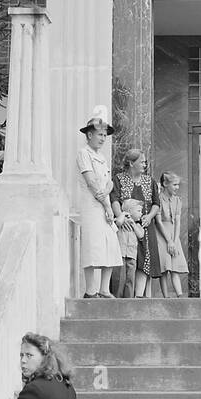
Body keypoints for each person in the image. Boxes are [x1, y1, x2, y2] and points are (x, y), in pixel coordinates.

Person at [76, 117, 123, 298]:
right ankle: (90, 290)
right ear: (90, 134)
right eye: (100, 134)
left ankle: (104, 288)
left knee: (110, 245)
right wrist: (106, 204)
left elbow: (109, 182)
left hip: (104, 206)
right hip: (91, 206)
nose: (103, 138)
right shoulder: (84, 153)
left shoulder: (102, 157)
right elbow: (91, 182)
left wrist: (106, 195)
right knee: (92, 247)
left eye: (105, 135)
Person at [110, 148, 162, 298]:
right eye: (142, 162)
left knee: (145, 258)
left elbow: (156, 203)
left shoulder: (149, 181)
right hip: (125, 227)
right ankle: (122, 295)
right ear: (131, 163)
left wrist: (150, 216)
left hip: (145, 226)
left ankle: (138, 295)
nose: (145, 164)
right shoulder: (119, 179)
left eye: (145, 162)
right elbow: (114, 199)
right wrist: (121, 216)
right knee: (126, 260)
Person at [154, 171, 189, 298]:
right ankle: (166, 297)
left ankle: (180, 296)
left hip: (174, 235)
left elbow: (178, 222)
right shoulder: (157, 199)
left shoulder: (177, 200)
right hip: (162, 235)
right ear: (165, 184)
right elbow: (158, 221)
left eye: (178, 185)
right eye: (174, 185)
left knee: (175, 267)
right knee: (164, 266)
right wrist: (169, 241)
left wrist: (174, 240)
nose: (177, 188)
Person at [116, 196, 145, 298]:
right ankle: (118, 299)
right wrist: (123, 214)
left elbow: (141, 235)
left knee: (130, 279)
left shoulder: (137, 225)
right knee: (120, 278)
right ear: (130, 211)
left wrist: (133, 224)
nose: (141, 213)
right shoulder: (122, 220)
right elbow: (118, 223)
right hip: (121, 254)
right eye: (138, 211)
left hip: (132, 255)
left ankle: (129, 299)